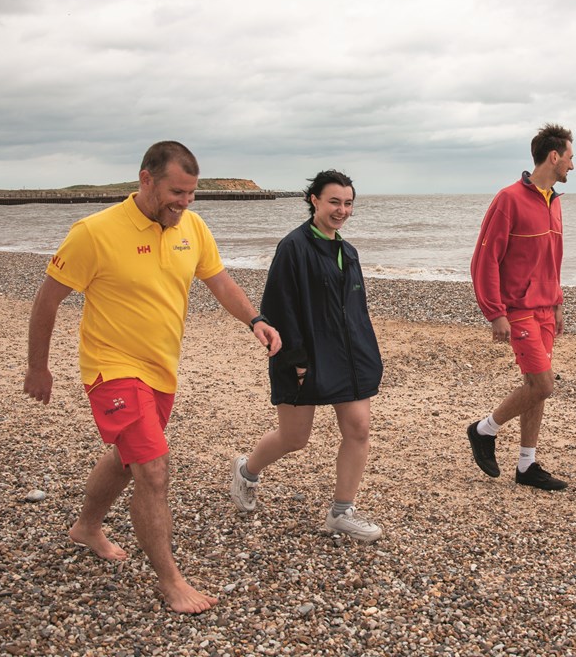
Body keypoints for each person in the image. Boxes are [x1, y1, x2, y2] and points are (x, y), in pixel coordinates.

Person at [23, 141, 282, 614]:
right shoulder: (94, 233)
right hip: (112, 368)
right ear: (146, 179)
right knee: (153, 467)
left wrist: (255, 320)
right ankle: (170, 581)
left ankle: (86, 527)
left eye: (191, 194)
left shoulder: (192, 228)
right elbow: (47, 300)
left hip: (161, 370)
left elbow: (219, 280)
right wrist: (38, 366)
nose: (184, 203)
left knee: (127, 459)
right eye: (176, 192)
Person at [230, 170, 384, 542]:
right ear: (314, 200)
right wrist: (296, 361)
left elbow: (357, 310)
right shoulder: (293, 247)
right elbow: (278, 308)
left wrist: (368, 355)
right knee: (294, 437)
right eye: (334, 201)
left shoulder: (348, 251)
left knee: (359, 429)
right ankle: (247, 472)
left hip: (350, 357)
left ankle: (341, 512)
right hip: (305, 357)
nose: (341, 210)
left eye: (348, 203)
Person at [466, 124, 574, 491]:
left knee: (534, 385)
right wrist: (494, 312)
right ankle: (484, 429)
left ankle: (527, 465)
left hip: (546, 307)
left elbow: (552, 259)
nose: (572, 167)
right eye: (570, 158)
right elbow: (485, 258)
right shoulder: (509, 198)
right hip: (519, 309)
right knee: (544, 385)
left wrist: (557, 302)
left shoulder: (554, 202)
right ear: (554, 156)